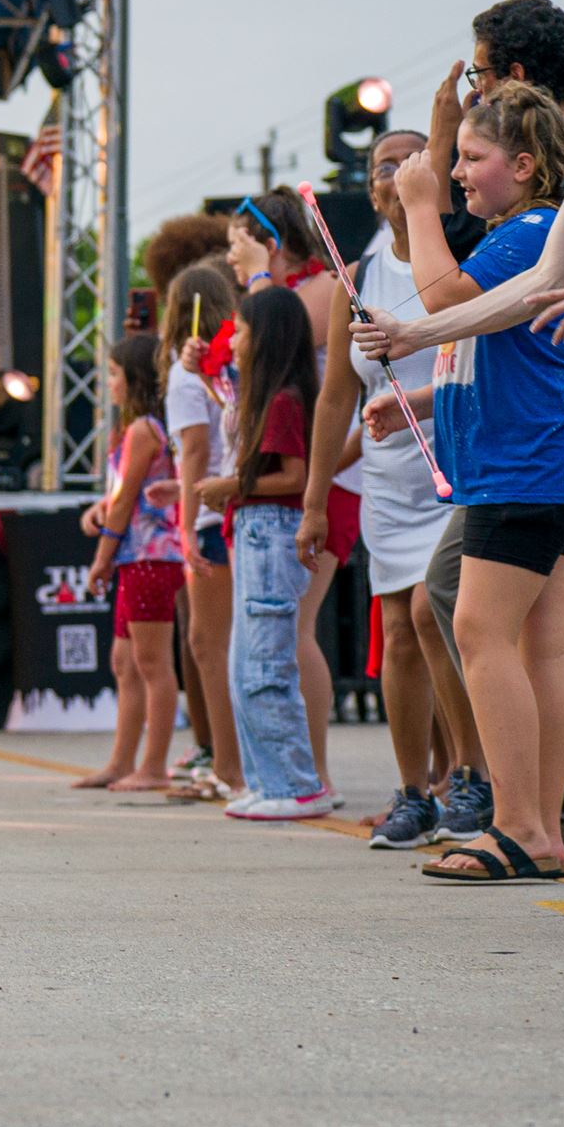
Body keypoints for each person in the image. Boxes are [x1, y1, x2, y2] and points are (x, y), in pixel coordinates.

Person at [388, 0, 564, 859]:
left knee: (480, 629)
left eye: (471, 160)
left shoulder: (526, 234)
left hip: (520, 467)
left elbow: (445, 300)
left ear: (523, 165)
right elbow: (474, 339)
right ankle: (550, 828)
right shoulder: (529, 228)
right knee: (541, 643)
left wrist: (415, 201)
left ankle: (520, 821)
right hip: (531, 461)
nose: (456, 175)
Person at [307, 132, 468, 848]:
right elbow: (335, 395)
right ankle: (413, 792)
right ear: (372, 188)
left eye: (413, 158)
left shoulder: (456, 255)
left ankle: (469, 777)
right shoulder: (357, 275)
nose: (396, 173)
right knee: (399, 632)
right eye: (382, 165)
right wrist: (315, 497)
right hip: (387, 482)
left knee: (446, 623)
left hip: (454, 466)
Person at [225, 188, 351, 789]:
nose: (230, 259)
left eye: (237, 246)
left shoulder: (320, 288)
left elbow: (276, 341)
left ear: (269, 243)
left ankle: (311, 772)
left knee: (292, 630)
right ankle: (286, 769)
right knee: (269, 635)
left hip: (321, 478)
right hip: (282, 482)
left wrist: (256, 278)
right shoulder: (279, 293)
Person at [194, 287, 332, 820]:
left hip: (269, 529)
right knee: (244, 665)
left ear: (266, 338)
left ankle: (296, 783)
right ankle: (267, 778)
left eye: (242, 333)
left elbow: (293, 476)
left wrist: (231, 486)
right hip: (254, 530)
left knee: (265, 663)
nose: (233, 343)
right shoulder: (265, 396)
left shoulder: (283, 400)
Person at [76, 335, 180, 792]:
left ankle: (153, 765)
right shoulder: (135, 429)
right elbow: (119, 497)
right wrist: (100, 510)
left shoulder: (143, 431)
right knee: (125, 660)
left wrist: (102, 556)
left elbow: (125, 504)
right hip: (135, 553)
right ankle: (121, 760)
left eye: (115, 373)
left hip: (150, 554)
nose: (109, 382)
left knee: (151, 662)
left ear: (134, 379)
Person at [162, 261, 241, 801]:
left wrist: (185, 523)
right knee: (215, 643)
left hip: (212, 512)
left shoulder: (187, 371)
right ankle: (227, 760)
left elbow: (193, 449)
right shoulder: (225, 364)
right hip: (224, 503)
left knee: (210, 645)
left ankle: (227, 765)